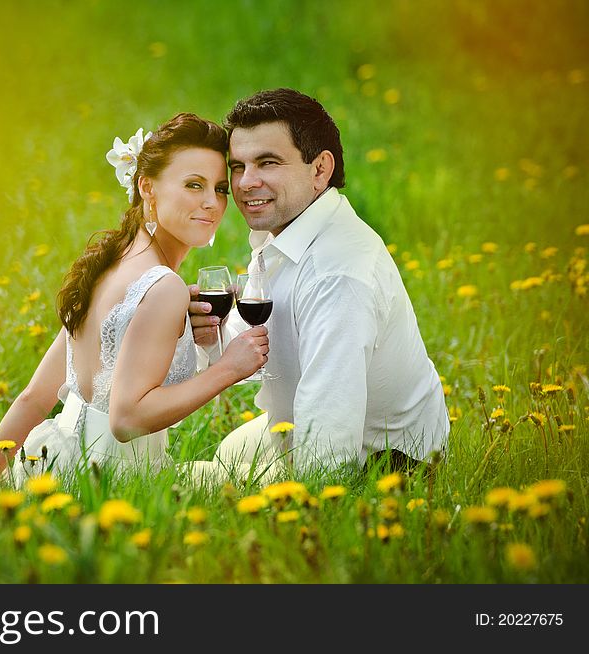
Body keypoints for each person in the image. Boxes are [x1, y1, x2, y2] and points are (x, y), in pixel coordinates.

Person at [0, 113, 269, 488]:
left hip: (52, 469)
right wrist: (228, 369)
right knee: (268, 478)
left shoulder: (111, 262)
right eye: (194, 185)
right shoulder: (163, 287)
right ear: (147, 187)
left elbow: (34, 398)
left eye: (220, 188)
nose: (212, 203)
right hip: (116, 484)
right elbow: (127, 419)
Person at [189, 88, 449, 479]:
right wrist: (213, 337)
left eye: (268, 162)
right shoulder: (286, 235)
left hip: (387, 462)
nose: (245, 183)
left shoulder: (338, 275)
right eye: (238, 166)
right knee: (228, 452)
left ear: (320, 169)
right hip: (308, 422)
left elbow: (329, 454)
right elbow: (265, 340)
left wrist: (296, 486)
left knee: (194, 478)